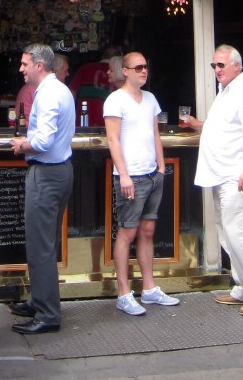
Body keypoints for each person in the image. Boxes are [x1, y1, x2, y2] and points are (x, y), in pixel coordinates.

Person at [182, 44, 243, 315]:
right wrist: (198, 125)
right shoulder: (225, 92)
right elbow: (223, 127)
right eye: (214, 66)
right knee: (227, 232)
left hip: (237, 174)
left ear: (236, 65)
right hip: (220, 173)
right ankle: (242, 287)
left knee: (238, 233)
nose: (216, 70)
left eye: (221, 65)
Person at [103, 52, 180, 316]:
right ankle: (123, 293)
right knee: (127, 232)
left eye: (146, 67)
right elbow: (112, 140)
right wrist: (123, 174)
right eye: (138, 68)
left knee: (147, 231)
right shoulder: (115, 100)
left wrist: (161, 166)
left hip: (152, 173)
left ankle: (149, 288)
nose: (143, 71)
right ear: (125, 71)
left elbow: (155, 135)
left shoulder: (150, 99)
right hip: (131, 175)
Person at [9, 43, 75, 334]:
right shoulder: (59, 89)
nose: (21, 68)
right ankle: (39, 300)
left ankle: (47, 314)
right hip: (60, 172)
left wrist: (21, 144)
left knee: (40, 246)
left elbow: (44, 142)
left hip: (46, 174)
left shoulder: (48, 95)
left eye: (24, 63)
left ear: (39, 65)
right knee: (45, 242)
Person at [14, 53, 70, 123]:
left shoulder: (61, 90)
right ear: (54, 71)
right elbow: (26, 124)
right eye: (66, 71)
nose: (68, 74)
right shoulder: (31, 89)